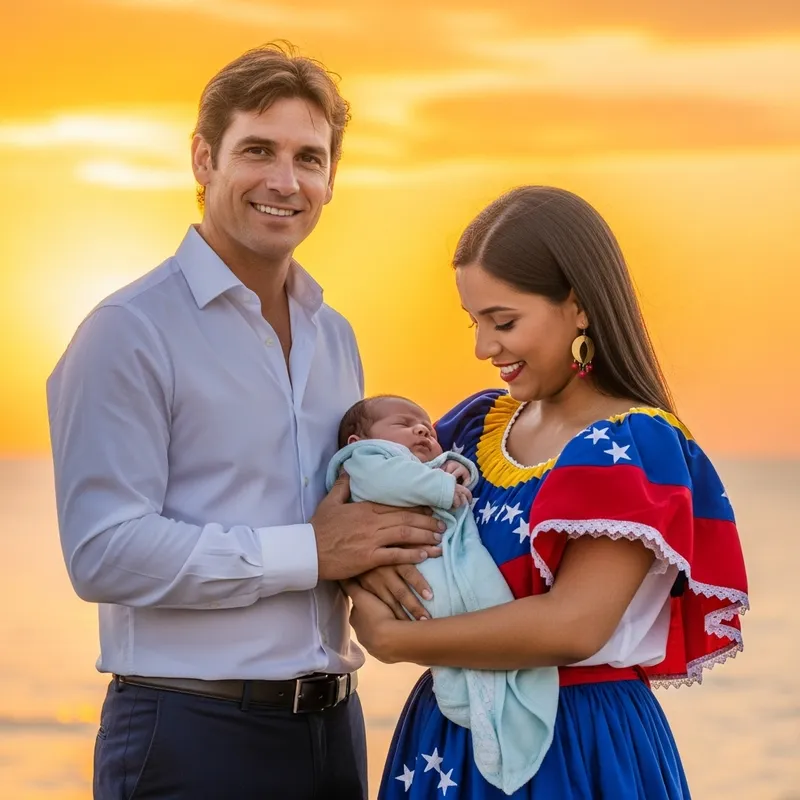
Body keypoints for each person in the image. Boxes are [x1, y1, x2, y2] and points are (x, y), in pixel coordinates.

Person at [46, 43, 444, 800]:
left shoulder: (336, 335)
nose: (285, 181)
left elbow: (346, 515)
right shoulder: (127, 330)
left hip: (333, 732)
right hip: (191, 735)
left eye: (310, 157)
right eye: (257, 150)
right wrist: (309, 551)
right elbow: (102, 552)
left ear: (332, 178)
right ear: (203, 159)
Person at [345, 186, 749, 798]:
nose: (484, 348)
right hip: (451, 733)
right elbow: (371, 520)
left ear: (579, 307)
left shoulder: (632, 446)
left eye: (504, 322)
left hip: (577, 743)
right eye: (475, 322)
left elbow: (575, 626)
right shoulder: (473, 428)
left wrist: (397, 639)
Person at [331, 394, 560, 794]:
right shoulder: (366, 460)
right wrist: (440, 484)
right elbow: (391, 482)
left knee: (490, 610)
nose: (422, 429)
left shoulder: (429, 466)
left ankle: (505, 696)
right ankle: (464, 697)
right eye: (403, 424)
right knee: (450, 632)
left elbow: (447, 474)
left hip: (457, 560)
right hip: (427, 572)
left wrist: (457, 468)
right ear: (356, 441)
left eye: (427, 427)